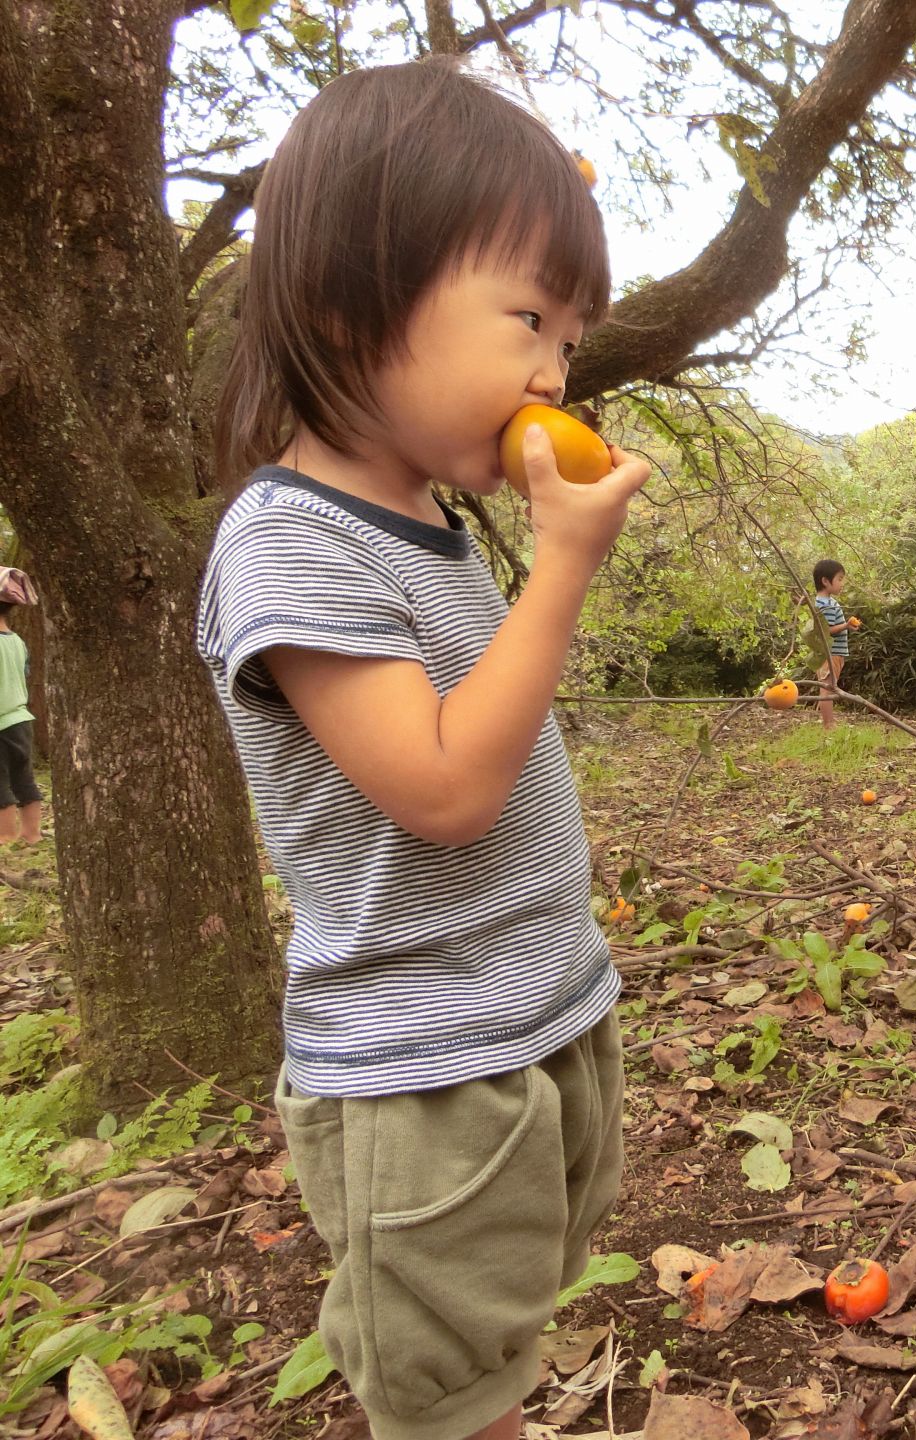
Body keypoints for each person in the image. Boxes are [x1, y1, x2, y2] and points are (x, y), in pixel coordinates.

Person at [196, 61, 648, 1440]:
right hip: (428, 1073)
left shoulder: (429, 523)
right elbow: (446, 790)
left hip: (537, 1019)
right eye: (529, 320)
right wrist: (563, 570)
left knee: (503, 1342)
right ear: (352, 303)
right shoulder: (287, 542)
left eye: (571, 337)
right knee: (453, 1399)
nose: (554, 372)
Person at [0, 603, 42, 846]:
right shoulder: (18, 642)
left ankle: (5, 837)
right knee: (23, 778)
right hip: (21, 720)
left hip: (1, 722)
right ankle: (32, 834)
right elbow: (24, 672)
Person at [811, 558, 852, 731]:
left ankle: (830, 722)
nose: (842, 583)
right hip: (830, 652)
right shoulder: (824, 604)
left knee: (829, 687)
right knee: (827, 688)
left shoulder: (829, 601)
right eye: (839, 579)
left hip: (835, 653)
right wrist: (846, 625)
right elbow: (826, 630)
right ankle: (828, 724)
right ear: (826, 581)